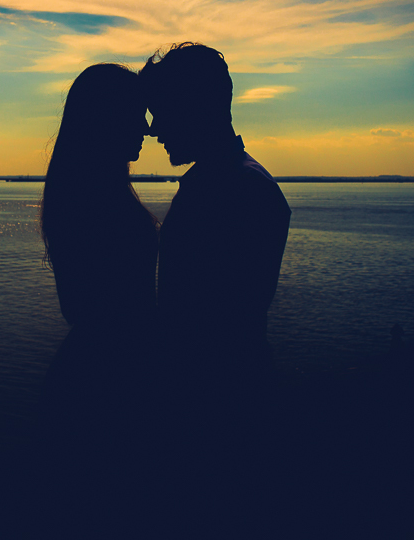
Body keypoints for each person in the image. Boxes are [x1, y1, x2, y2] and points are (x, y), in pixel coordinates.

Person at [139, 43, 291, 370]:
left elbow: (212, 321)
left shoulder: (239, 190)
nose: (153, 129)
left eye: (161, 111)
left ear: (193, 108)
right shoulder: (229, 183)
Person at [37, 63, 159, 451]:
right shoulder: (97, 205)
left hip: (93, 372)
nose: (147, 129)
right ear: (108, 120)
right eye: (137, 116)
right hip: (105, 383)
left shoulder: (82, 193)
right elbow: (108, 311)